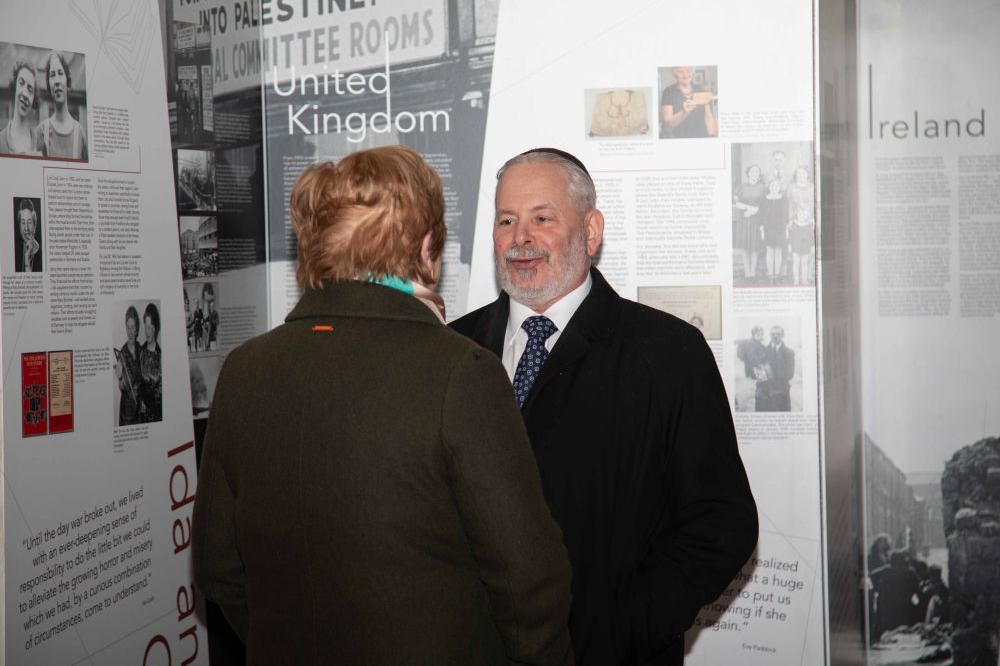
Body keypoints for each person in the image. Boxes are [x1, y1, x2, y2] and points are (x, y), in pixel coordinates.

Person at [192, 145, 574, 666]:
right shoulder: (461, 373)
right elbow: (529, 580)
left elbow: (218, 569)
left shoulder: (243, 370)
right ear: (425, 249)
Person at [451, 148, 757, 665]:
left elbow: (720, 523)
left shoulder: (667, 353)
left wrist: (626, 629)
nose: (520, 238)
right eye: (507, 220)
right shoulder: (453, 351)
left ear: (590, 232)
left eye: (541, 218)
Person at [34, 51, 87, 159]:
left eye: (60, 73)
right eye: (52, 75)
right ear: (49, 86)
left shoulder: (80, 133)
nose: (57, 81)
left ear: (67, 82)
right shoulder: (41, 132)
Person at [659, 66, 717, 139]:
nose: (685, 75)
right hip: (679, 139)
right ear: (675, 73)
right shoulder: (668, 92)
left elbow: (708, 117)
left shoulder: (701, 91)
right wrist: (684, 112)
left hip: (702, 138)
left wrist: (712, 136)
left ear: (692, 72)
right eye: (681, 72)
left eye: (688, 71)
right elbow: (667, 126)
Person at [733, 164, 765, 282]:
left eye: (756, 172)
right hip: (744, 218)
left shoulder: (763, 187)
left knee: (754, 245)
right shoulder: (741, 186)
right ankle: (747, 272)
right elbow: (736, 202)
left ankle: (753, 272)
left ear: (759, 174)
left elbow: (764, 204)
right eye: (752, 171)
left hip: (756, 219)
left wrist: (755, 210)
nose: (754, 174)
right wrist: (748, 208)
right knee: (745, 245)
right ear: (748, 173)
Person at [0, 60, 39, 155]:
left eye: (30, 89)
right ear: (14, 86)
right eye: (21, 83)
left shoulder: (40, 144)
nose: (25, 94)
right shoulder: (1, 141)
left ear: (34, 99)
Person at [113, 306, 143, 425]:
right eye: (128, 327)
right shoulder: (122, 353)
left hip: (140, 408)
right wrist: (120, 377)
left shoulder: (141, 351)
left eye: (133, 327)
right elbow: (121, 387)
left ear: (136, 330)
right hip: (127, 412)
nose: (130, 332)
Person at [756, 325, 794, 412]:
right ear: (770, 335)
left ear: (783, 335)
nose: (775, 336)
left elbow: (790, 375)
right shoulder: (762, 351)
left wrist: (770, 374)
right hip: (765, 394)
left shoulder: (789, 353)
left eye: (778, 334)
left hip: (781, 394)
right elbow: (760, 374)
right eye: (773, 334)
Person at [760, 178, 787, 283]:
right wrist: (762, 229)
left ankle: (777, 274)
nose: (774, 188)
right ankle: (770, 274)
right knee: (770, 250)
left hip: (780, 228)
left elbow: (785, 215)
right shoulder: (764, 199)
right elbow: (761, 215)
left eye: (776, 186)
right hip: (768, 228)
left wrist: (786, 229)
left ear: (779, 187)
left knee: (778, 251)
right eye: (772, 186)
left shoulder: (784, 199)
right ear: (769, 187)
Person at [138, 303, 162, 422]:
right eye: (145, 327)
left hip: (158, 418)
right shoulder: (139, 353)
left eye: (149, 327)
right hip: (142, 419)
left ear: (155, 328)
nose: (146, 331)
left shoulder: (161, 356)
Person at [16, 199, 41, 272]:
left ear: (34, 225)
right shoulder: (16, 250)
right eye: (23, 223)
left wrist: (27, 262)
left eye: (29, 222)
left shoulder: (41, 254)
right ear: (19, 226)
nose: (26, 228)